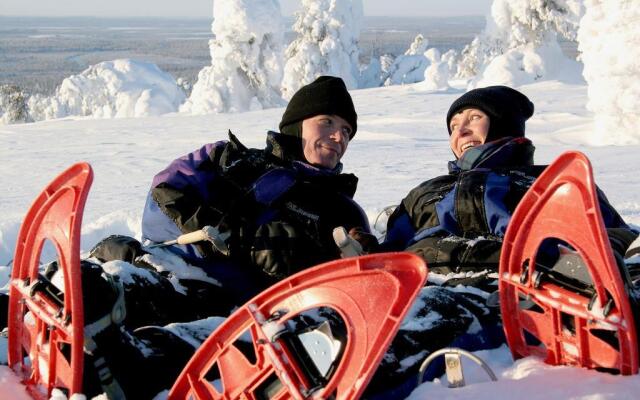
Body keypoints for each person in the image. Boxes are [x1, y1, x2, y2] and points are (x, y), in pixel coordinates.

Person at [69, 75, 372, 398]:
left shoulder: (344, 213)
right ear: (297, 124)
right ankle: (44, 316)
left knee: (213, 341)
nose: (338, 136)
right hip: (179, 272)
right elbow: (164, 193)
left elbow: (351, 292)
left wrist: (359, 255)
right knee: (113, 287)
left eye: (347, 131)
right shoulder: (231, 159)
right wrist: (214, 229)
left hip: (242, 312)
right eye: (327, 122)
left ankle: (128, 364)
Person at [362, 86, 639, 399]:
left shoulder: (548, 184)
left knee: (404, 339)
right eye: (453, 126)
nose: (460, 130)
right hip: (424, 281)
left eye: (474, 118)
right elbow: (390, 252)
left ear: (504, 123)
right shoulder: (426, 192)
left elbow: (614, 234)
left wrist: (586, 260)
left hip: (504, 287)